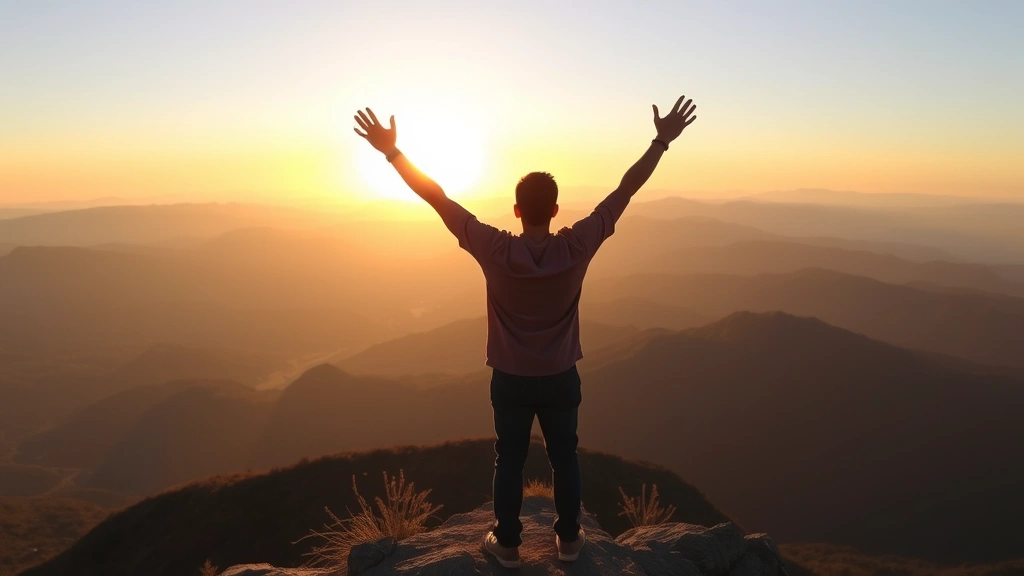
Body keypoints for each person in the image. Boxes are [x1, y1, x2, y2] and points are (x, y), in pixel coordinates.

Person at [353, 95, 697, 568]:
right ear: (555, 209)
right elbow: (625, 189)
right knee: (565, 457)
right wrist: (660, 142)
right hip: (560, 376)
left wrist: (392, 152)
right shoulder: (577, 245)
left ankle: (508, 544)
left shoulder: (494, 248)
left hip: (510, 378)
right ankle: (570, 541)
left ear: (516, 210)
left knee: (509, 460)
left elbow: (437, 198)